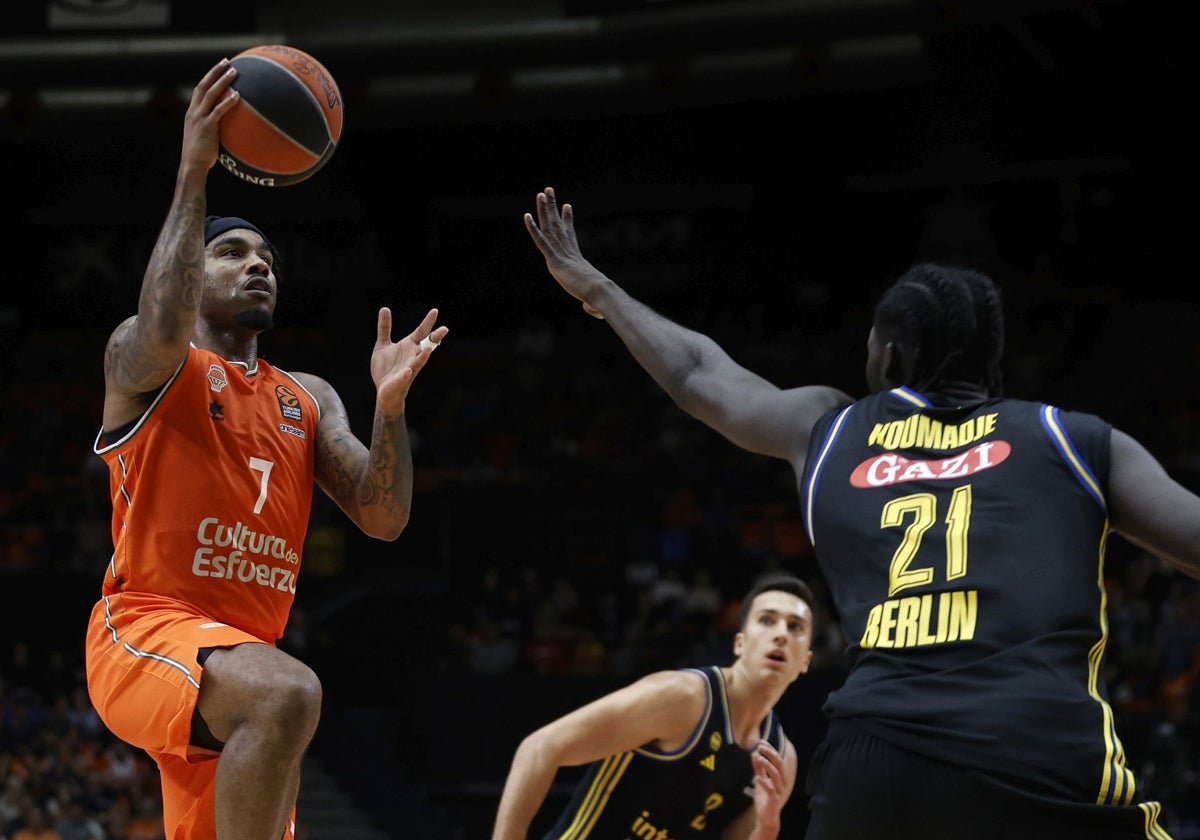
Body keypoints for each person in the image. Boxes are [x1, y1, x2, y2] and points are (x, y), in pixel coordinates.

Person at [523, 186, 1200, 839]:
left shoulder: (830, 430)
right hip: (1032, 750)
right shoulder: (1072, 439)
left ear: (893, 356)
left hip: (873, 770)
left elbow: (699, 374)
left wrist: (599, 290)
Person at [84, 59, 448, 840]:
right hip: (145, 633)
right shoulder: (151, 363)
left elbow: (383, 519)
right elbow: (157, 327)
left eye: (269, 260)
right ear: (193, 269)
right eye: (234, 252)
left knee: (273, 712)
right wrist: (194, 175)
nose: (258, 264)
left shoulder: (307, 397)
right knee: (290, 693)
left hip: (238, 671)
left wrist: (390, 409)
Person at [491, 572, 815, 840]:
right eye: (767, 620)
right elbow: (539, 748)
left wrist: (770, 825)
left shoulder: (781, 758)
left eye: (795, 627)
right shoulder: (684, 698)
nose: (781, 635)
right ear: (739, 642)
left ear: (806, 661)